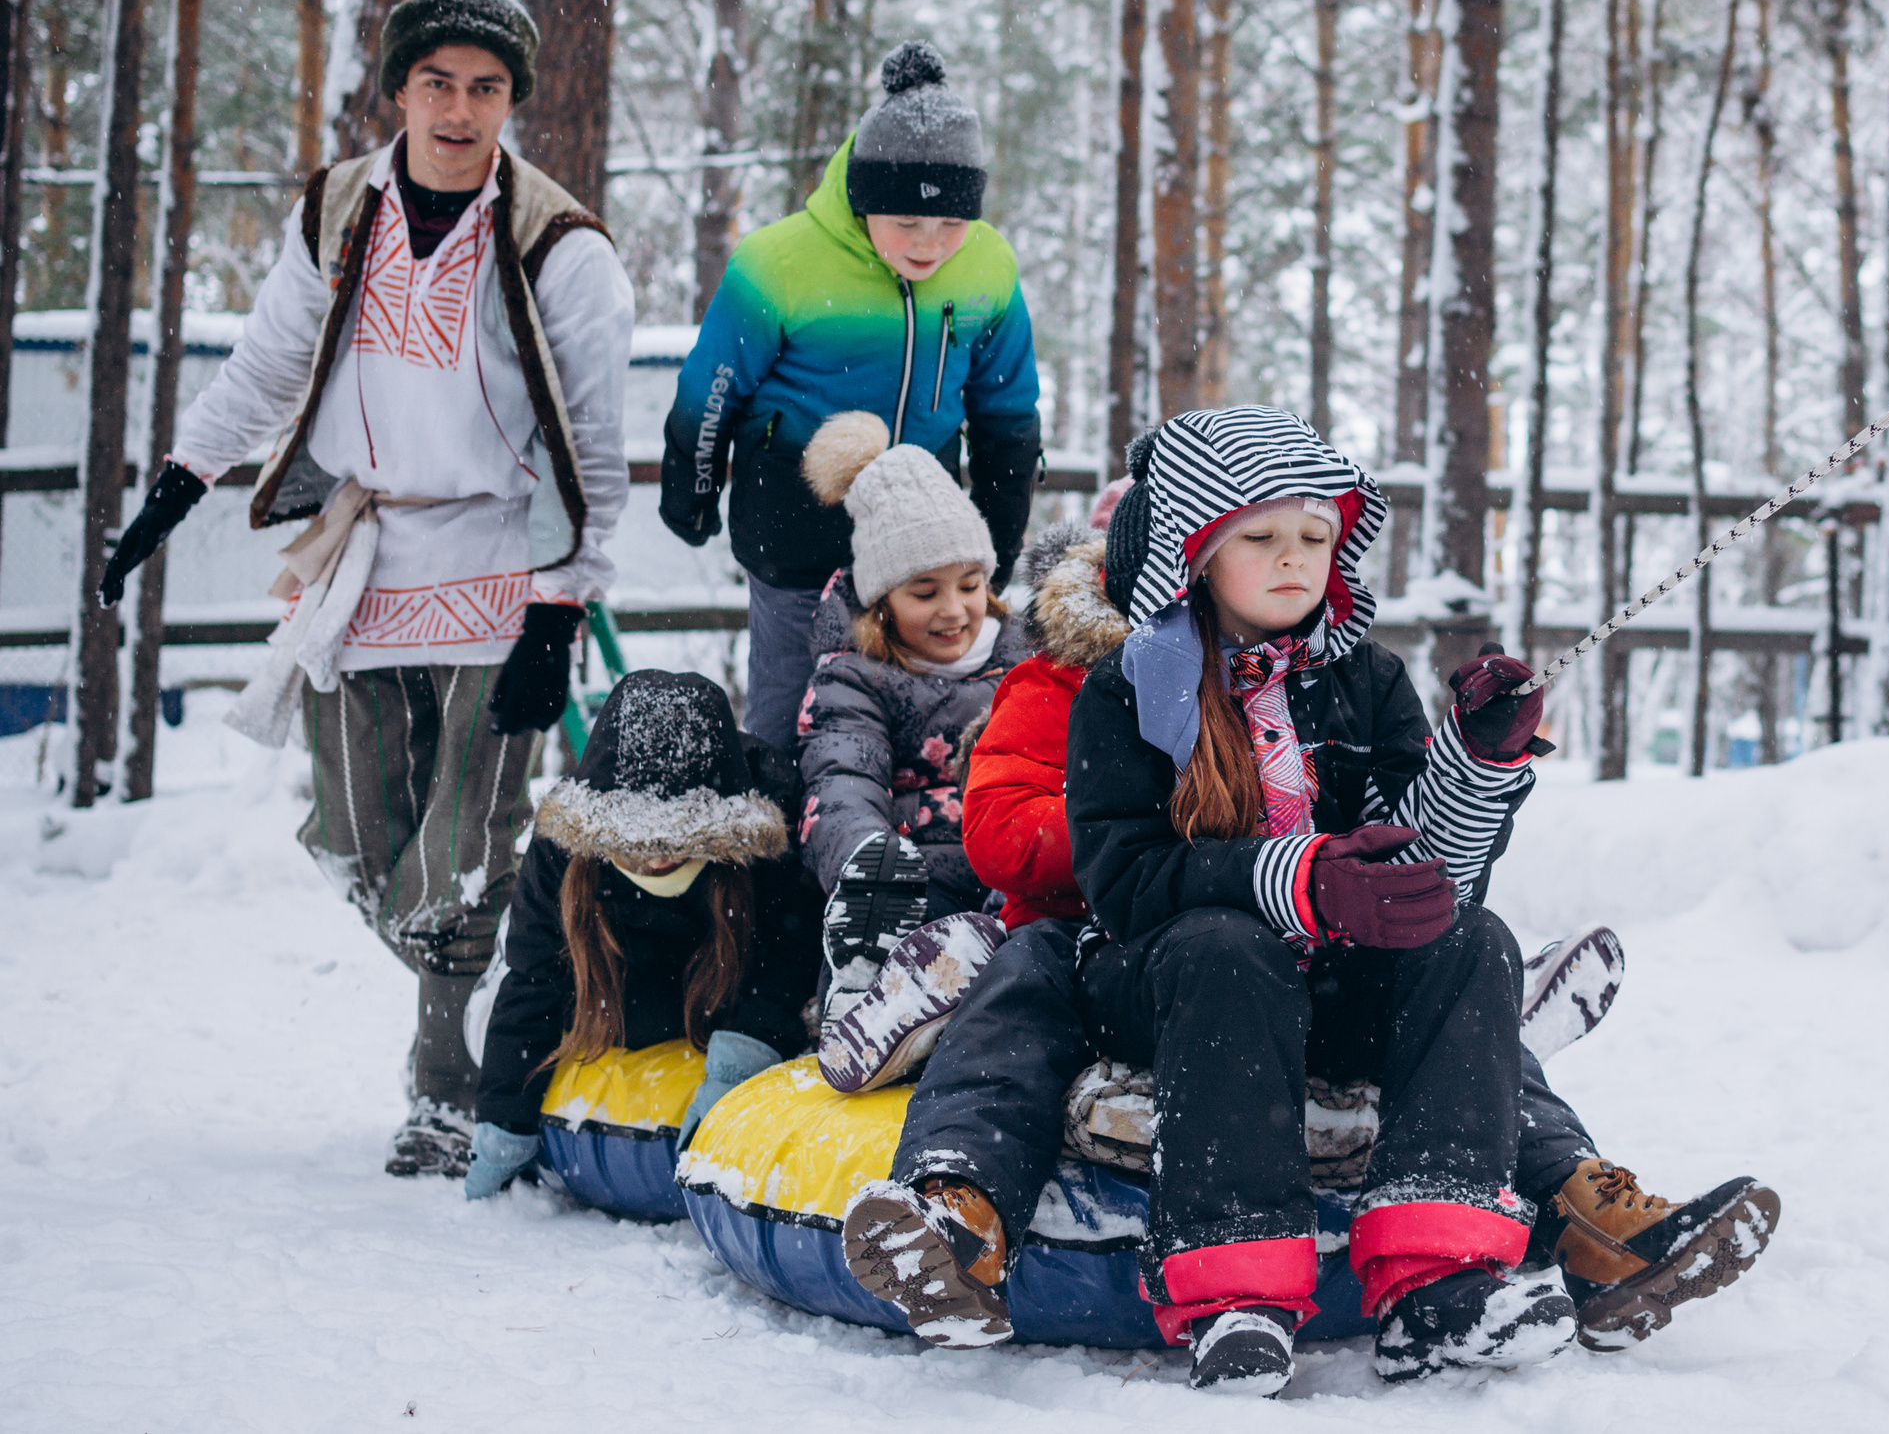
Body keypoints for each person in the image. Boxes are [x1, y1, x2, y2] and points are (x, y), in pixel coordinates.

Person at [845, 442, 1777, 1384]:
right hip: (1166, 971)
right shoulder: (1127, 689)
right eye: (1262, 536)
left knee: (1470, 942)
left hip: (1327, 977)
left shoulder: (1364, 680)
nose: (1295, 556)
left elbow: (1428, 868)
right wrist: (1299, 876)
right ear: (1194, 549)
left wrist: (1476, 767)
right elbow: (1122, 881)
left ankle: (1439, 1280)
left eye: (1315, 535)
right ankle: (1228, 1287)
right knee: (1212, 947)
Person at [95, 0, 633, 1178]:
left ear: (511, 103)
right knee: (348, 825)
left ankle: (444, 1090)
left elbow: (591, 445)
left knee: (464, 840)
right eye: (436, 81)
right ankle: (502, 986)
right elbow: (265, 362)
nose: (458, 107)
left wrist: (562, 603)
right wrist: (177, 485)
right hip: (364, 554)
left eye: (485, 87)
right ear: (397, 89)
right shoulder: (340, 208)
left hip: (503, 560)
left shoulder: (557, 244)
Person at [660, 40, 1042, 754]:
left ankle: (891, 853)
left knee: (918, 726)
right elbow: (712, 391)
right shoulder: (780, 263)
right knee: (787, 712)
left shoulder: (987, 264)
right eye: (906, 223)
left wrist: (999, 534)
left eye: (950, 223)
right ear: (864, 197)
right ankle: (776, 853)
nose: (930, 245)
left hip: (920, 546)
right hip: (796, 529)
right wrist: (693, 484)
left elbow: (1007, 410)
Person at [462, 671, 822, 1199]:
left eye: (675, 842)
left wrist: (741, 1059)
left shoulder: (767, 835)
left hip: (717, 982)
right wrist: (501, 1127)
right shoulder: (563, 847)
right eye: (637, 843)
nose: (656, 858)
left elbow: (785, 957)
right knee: (509, 1025)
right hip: (606, 984)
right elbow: (532, 977)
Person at [791, 409, 1030, 1092]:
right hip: (913, 874)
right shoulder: (854, 676)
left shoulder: (1026, 661)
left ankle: (972, 1032)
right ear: (881, 601)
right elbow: (840, 775)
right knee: (897, 919)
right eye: (925, 591)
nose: (954, 609)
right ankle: (866, 1004)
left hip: (1013, 863)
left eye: (969, 584)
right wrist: (867, 858)